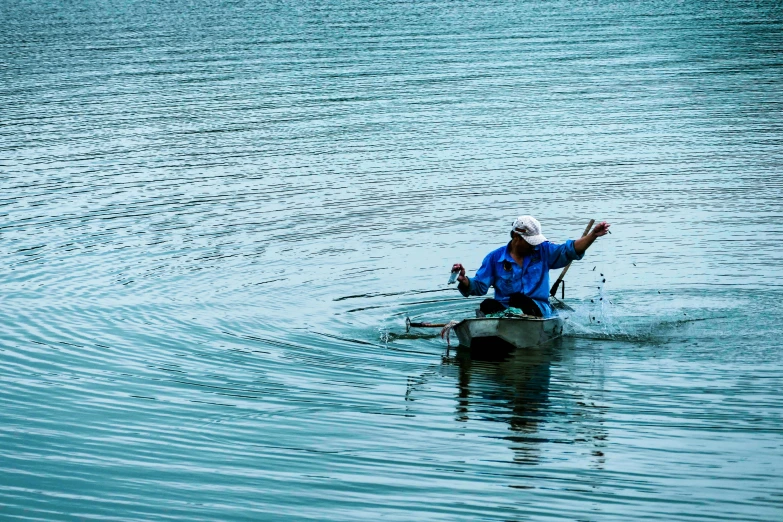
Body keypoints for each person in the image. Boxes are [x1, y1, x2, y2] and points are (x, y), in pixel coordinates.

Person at [452, 216, 610, 318]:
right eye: (529, 241)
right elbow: (478, 287)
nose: (533, 245)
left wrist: (592, 236)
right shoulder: (494, 258)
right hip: (504, 313)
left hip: (537, 309)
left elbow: (570, 250)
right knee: (487, 304)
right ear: (516, 237)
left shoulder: (543, 250)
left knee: (519, 299)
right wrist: (464, 280)